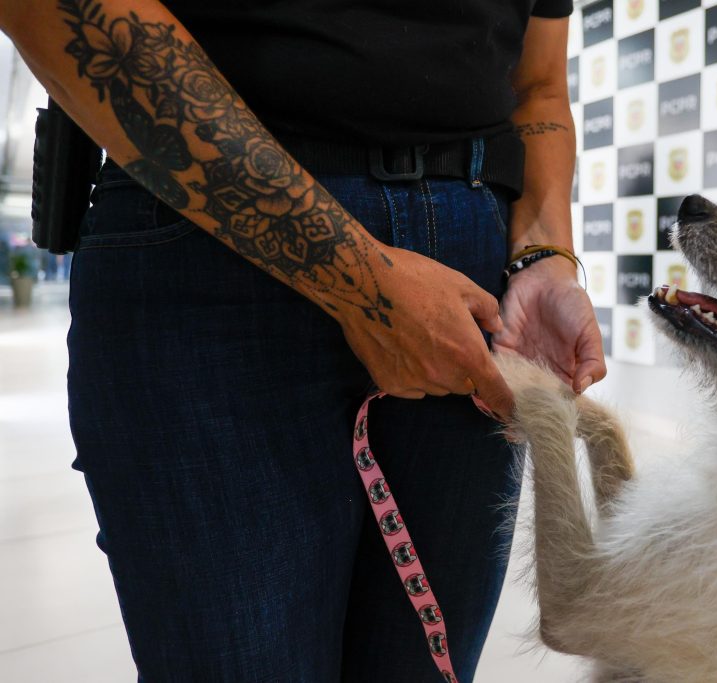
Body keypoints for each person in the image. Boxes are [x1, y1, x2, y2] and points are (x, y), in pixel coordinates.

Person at [0, 1, 605, 680]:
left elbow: (540, 85)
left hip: (470, 271)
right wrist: (358, 282)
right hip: (205, 235)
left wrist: (545, 252)